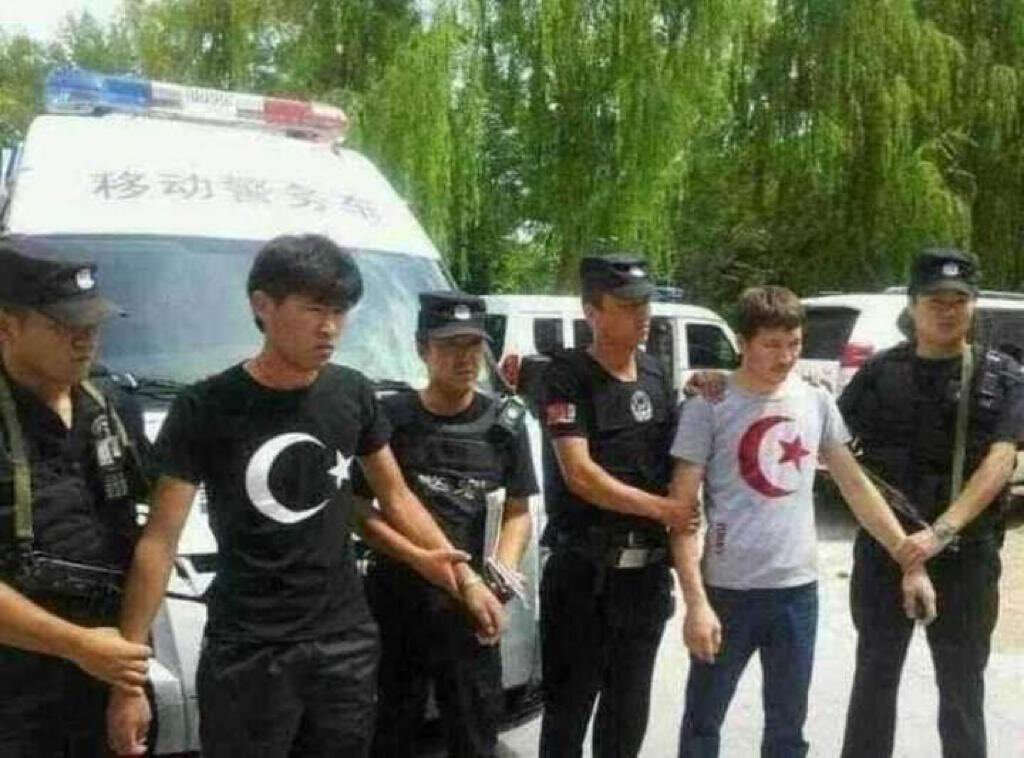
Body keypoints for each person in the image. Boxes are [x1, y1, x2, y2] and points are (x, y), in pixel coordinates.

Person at [106, 234, 503, 758]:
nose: (330, 327)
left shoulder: (352, 392)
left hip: (344, 643)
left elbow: (396, 495)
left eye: (340, 311)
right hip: (250, 647)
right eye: (315, 309)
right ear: (262, 305)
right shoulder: (206, 407)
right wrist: (128, 679)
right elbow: (159, 542)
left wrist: (464, 578)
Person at [669, 285, 935, 758]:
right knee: (703, 723)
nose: (786, 357)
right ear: (742, 342)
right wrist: (695, 603)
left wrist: (907, 558)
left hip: (796, 592)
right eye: (772, 345)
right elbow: (682, 512)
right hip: (727, 592)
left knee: (788, 729)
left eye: (794, 344)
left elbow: (855, 486)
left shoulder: (815, 401)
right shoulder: (708, 405)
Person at [839, 249, 1024, 758]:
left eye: (958, 300)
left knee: (962, 688)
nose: (947, 310)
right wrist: (720, 382)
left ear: (973, 305)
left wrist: (939, 533)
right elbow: (834, 448)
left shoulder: (1002, 375)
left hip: (964, 554)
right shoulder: (878, 373)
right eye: (935, 300)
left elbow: (1000, 460)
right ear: (912, 304)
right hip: (886, 551)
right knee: (874, 680)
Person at [352, 291, 538, 758]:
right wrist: (416, 556)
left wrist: (500, 577)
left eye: (473, 345)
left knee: (474, 734)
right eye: (450, 345)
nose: (465, 358)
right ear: (422, 349)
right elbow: (357, 510)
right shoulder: (388, 420)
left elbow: (518, 510)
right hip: (397, 599)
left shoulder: (505, 423)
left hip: (470, 607)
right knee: (389, 733)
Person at [0, 236, 154, 757]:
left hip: (110, 664)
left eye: (93, 325)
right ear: (7, 326)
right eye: (65, 326)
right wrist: (78, 646)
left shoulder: (112, 407)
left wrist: (127, 680)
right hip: (17, 682)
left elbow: (145, 538)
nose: (86, 339)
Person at [538, 253, 694, 758]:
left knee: (627, 718)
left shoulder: (655, 372)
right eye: (626, 305)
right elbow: (581, 476)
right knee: (567, 716)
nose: (641, 314)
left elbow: (676, 456)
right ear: (592, 312)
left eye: (645, 303)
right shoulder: (566, 377)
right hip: (585, 577)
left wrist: (708, 392)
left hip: (644, 578)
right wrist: (663, 510)